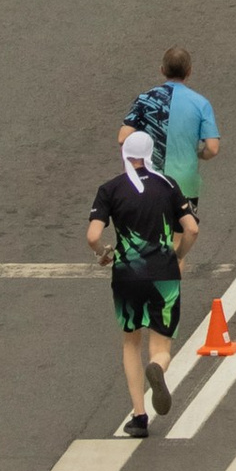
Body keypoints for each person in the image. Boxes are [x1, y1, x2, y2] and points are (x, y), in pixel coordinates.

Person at [88, 125, 195, 433]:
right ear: (151, 154)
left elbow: (93, 235)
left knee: (131, 342)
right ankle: (157, 367)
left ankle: (139, 416)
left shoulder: (110, 189)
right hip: (164, 274)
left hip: (127, 277)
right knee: (161, 346)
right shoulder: (168, 185)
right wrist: (178, 254)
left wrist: (104, 252)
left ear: (125, 154)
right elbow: (192, 228)